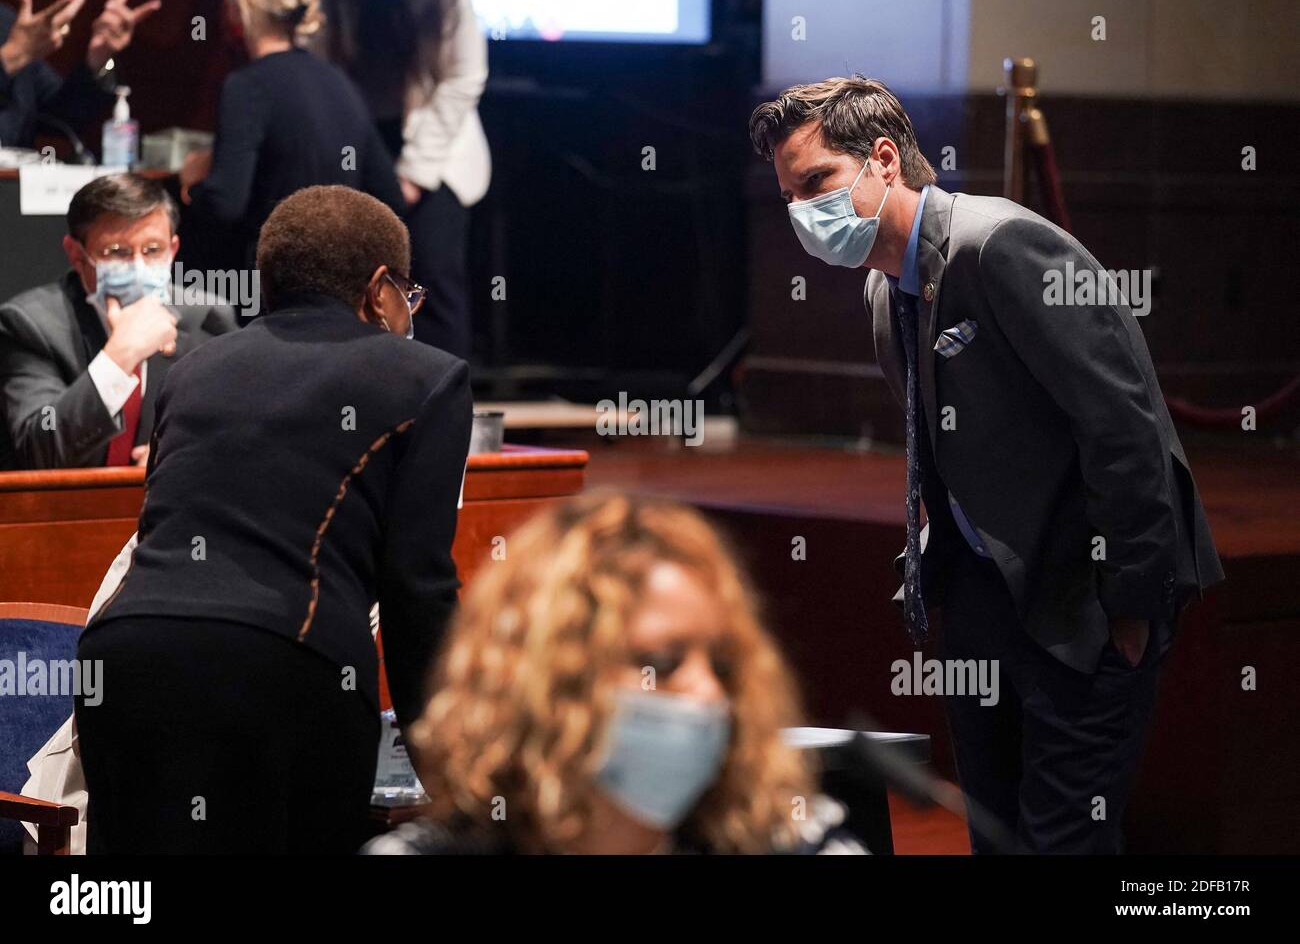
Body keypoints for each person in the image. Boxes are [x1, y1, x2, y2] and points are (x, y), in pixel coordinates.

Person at [748, 77, 1225, 854]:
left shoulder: (1003, 245)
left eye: (816, 184)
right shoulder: (880, 291)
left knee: (1063, 840)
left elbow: (1124, 429)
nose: (802, 213)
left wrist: (1132, 611)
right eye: (788, 196)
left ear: (883, 160)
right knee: (994, 836)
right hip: (984, 601)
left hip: (1090, 597)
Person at [74, 184, 472, 854]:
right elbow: (418, 594)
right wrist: (451, 769)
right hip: (287, 665)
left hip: (122, 660)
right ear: (381, 289)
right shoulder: (426, 378)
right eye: (409, 295)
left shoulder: (191, 371)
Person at [364, 493, 866, 855]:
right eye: (661, 663)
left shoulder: (805, 845)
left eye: (723, 665)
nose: (708, 692)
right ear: (549, 678)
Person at [179, 0, 404, 305]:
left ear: (241, 8)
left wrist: (193, 186)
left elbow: (225, 204)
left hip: (272, 293)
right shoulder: (338, 82)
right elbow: (389, 194)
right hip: (345, 290)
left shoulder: (247, 86)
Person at [0, 172, 236, 470]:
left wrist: (182, 456)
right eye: (116, 252)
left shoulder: (210, 320)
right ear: (76, 254)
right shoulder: (29, 325)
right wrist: (120, 355)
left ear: (173, 249)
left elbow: (240, 430)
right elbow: (41, 450)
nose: (138, 266)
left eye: (153, 250)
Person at [323, 0, 489, 360]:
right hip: (361, 139)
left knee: (430, 279)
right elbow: (322, 64)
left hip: (435, 149)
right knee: (359, 281)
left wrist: (416, 171)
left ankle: (441, 405)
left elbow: (465, 76)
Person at [0, 0, 160, 150]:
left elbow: (62, 117)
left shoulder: (6, 22)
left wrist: (99, 58)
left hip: (17, 172)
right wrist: (10, 58)